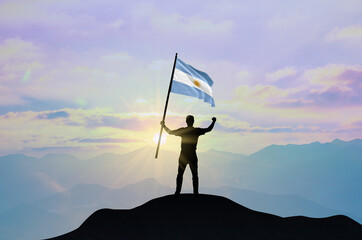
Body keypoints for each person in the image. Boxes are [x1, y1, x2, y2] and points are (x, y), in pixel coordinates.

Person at [161, 115, 216, 195]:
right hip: (192, 155)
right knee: (194, 175)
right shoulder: (196, 131)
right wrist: (213, 122)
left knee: (180, 174)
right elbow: (208, 129)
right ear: (193, 121)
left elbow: (170, 132)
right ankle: (195, 193)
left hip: (184, 155)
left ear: (186, 122)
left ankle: (178, 192)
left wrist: (163, 126)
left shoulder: (183, 131)